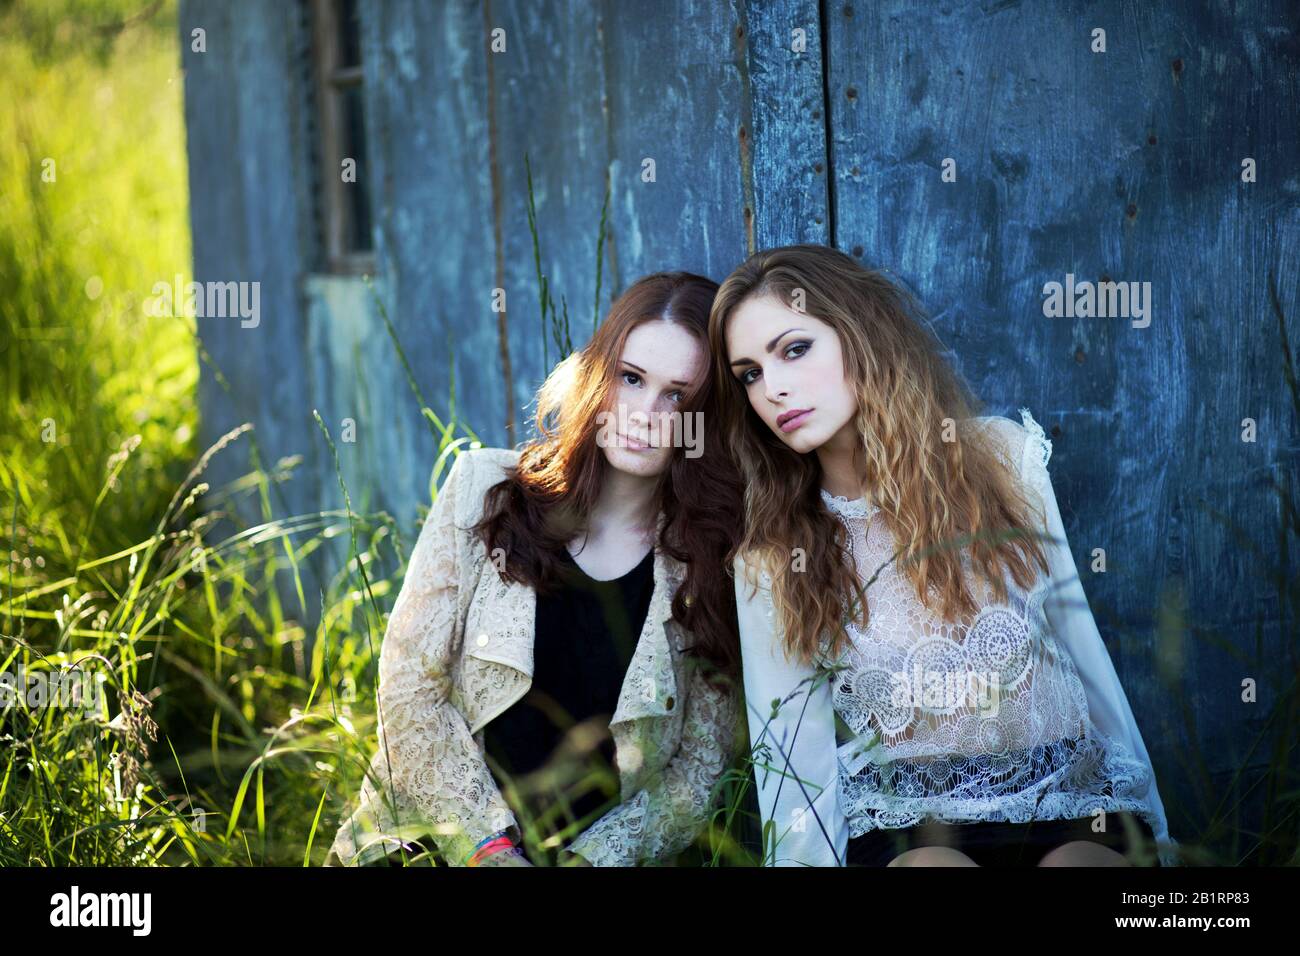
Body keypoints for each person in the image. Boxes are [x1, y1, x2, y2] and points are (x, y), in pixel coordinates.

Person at [708, 244, 1178, 867]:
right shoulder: (774, 553)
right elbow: (795, 759)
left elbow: (1081, 646)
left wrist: (1159, 834)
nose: (774, 389)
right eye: (750, 374)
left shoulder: (1002, 460)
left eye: (794, 349)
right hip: (912, 829)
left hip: (1070, 803)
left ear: (860, 336)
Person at [327, 271, 743, 867]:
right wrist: (489, 849)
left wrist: (591, 861)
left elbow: (698, 773)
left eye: (678, 395)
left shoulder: (708, 564)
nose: (645, 413)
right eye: (631, 378)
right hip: (432, 843)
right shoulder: (486, 491)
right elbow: (410, 691)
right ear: (599, 375)